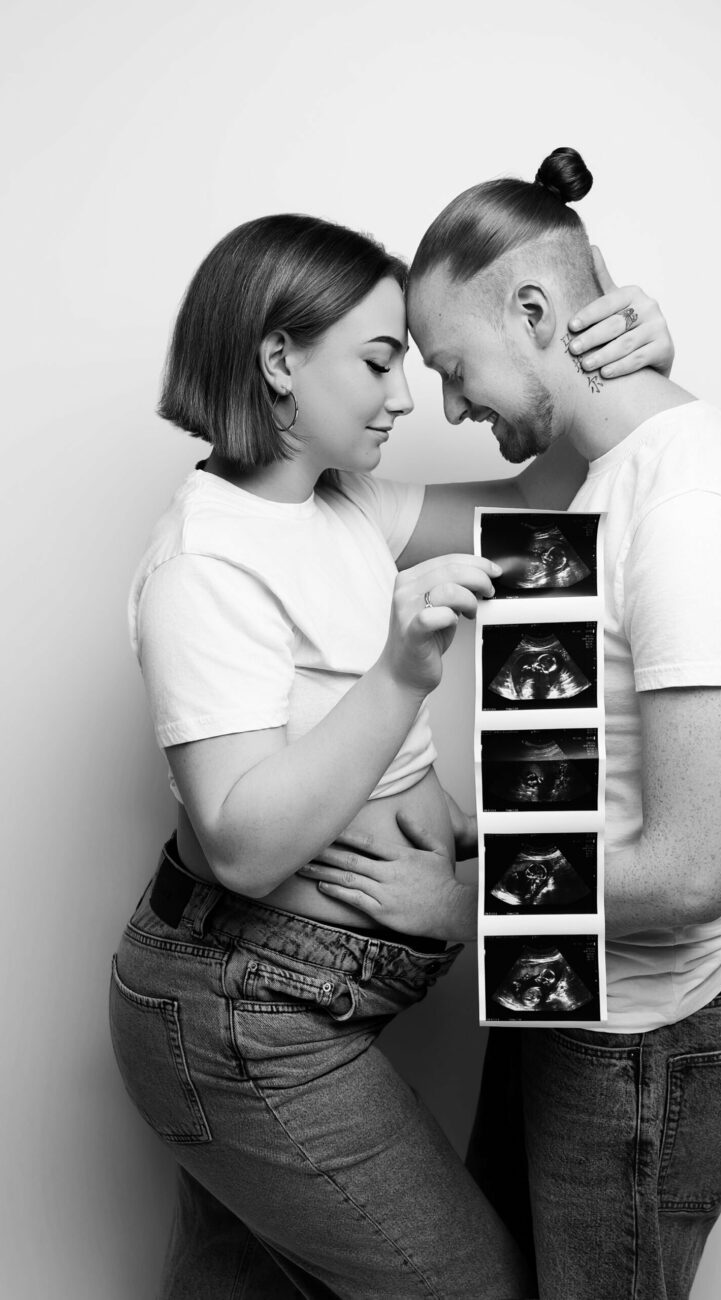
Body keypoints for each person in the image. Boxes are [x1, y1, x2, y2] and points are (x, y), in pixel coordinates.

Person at [109, 208, 675, 1299]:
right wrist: (401, 673)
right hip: (241, 1017)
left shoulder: (347, 506)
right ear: (279, 358)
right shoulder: (205, 567)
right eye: (378, 363)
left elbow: (549, 507)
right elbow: (242, 845)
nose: (409, 396)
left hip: (300, 1001)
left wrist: (625, 357)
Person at [328, 147, 721, 1299]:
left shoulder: (688, 508)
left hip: (644, 1040)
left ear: (535, 309)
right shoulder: (600, 482)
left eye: (453, 366)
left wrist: (459, 901)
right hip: (568, 986)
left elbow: (693, 868)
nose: (447, 404)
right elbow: (595, 765)